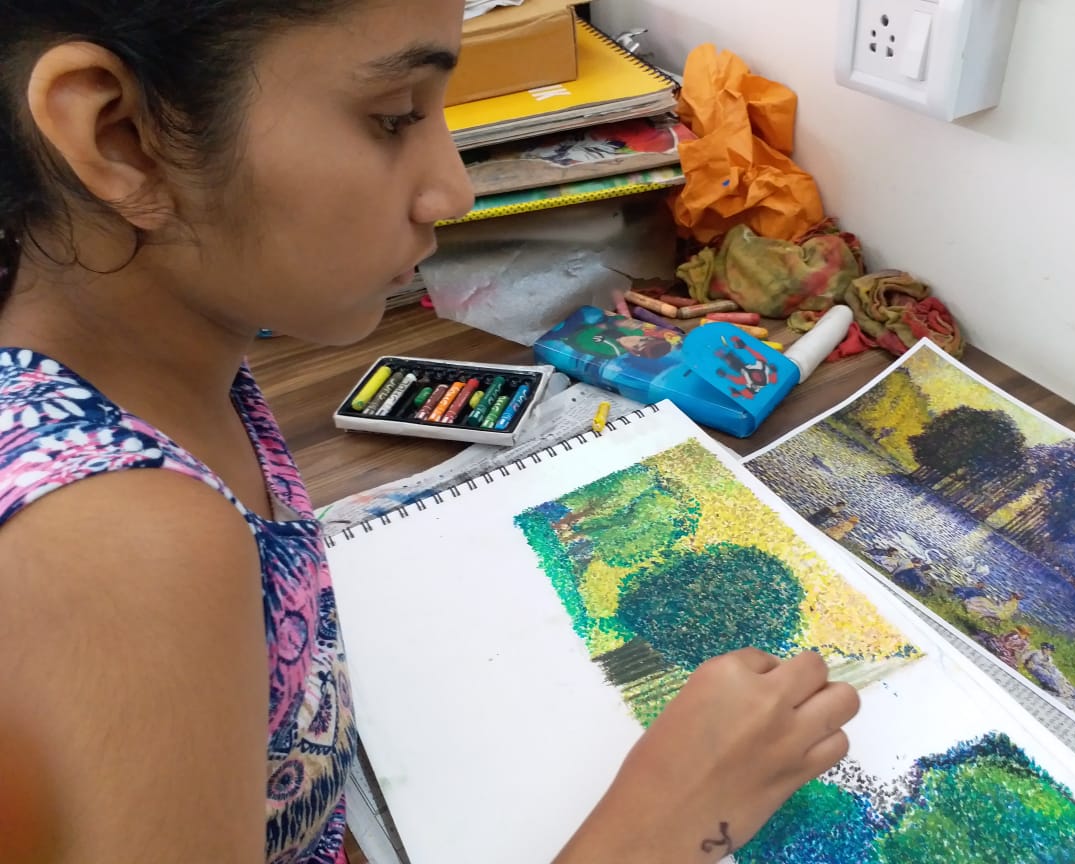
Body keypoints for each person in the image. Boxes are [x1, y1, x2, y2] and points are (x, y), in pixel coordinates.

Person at [0, 3, 861, 863]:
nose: (454, 191)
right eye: (394, 116)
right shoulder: (121, 548)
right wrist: (674, 812)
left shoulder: (173, 367)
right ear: (121, 137)